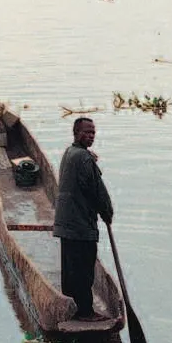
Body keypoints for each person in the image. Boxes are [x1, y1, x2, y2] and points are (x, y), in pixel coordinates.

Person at [52, 116, 113, 320]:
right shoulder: (83, 158)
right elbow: (97, 192)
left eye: (93, 133)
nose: (90, 136)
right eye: (86, 132)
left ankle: (72, 305)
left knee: (71, 267)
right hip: (79, 224)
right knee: (84, 268)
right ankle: (86, 312)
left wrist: (89, 158)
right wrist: (107, 213)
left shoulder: (72, 153)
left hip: (66, 222)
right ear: (76, 133)